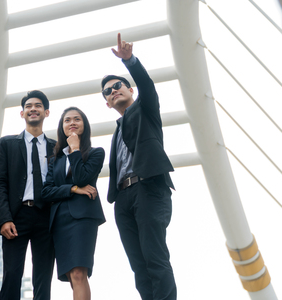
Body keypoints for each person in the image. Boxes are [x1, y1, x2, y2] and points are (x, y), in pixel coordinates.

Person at [101, 33, 177, 300]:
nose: (114, 90)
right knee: (139, 267)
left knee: (155, 258)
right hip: (123, 198)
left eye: (118, 85)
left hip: (148, 189)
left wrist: (130, 62)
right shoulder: (117, 130)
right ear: (108, 103)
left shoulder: (146, 110)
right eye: (108, 91)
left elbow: (147, 85)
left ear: (129, 89)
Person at [0, 90, 56, 300]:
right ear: (22, 114)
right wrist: (4, 218)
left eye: (37, 106)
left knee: (43, 277)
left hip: (46, 217)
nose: (33, 109)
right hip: (16, 217)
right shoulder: (7, 144)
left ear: (46, 112)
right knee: (11, 275)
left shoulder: (57, 148)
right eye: (28, 106)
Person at [42, 107, 105, 300]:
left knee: (79, 273)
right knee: (71, 276)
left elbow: (82, 176)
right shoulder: (56, 160)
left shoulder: (96, 153)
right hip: (60, 220)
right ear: (62, 127)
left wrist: (75, 150)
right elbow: (46, 191)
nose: (72, 123)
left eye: (77, 119)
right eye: (67, 120)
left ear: (84, 125)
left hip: (83, 218)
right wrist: (73, 189)